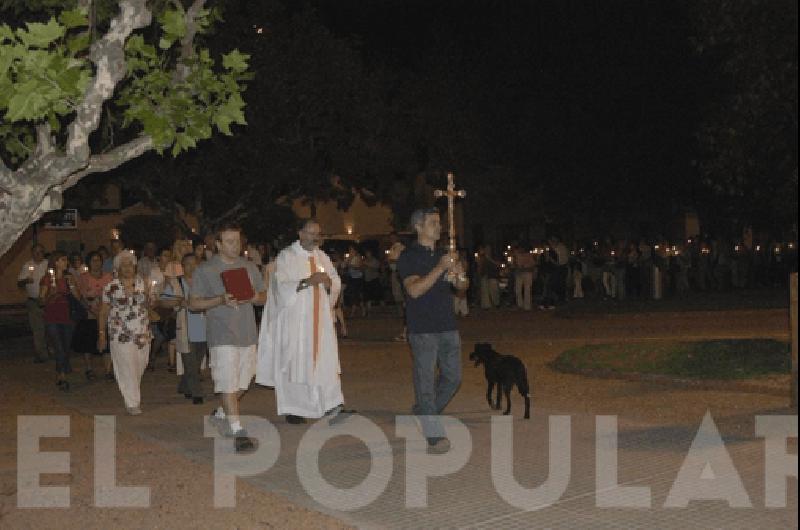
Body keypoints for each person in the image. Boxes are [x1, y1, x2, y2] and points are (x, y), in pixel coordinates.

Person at [257, 218, 346, 425]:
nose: (315, 237)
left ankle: (330, 404)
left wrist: (329, 283)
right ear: (300, 233)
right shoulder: (287, 256)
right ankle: (294, 408)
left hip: (320, 319)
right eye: (311, 233)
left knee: (324, 359)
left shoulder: (322, 256)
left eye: (318, 234)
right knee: (296, 361)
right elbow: (279, 287)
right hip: (296, 322)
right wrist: (307, 281)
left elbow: (335, 280)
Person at [189, 224, 266, 453]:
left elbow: (263, 297)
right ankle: (237, 430)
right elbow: (193, 304)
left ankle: (221, 414)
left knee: (243, 382)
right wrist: (220, 300)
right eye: (230, 241)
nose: (236, 245)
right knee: (227, 381)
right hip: (222, 336)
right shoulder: (205, 270)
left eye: (238, 240)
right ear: (219, 245)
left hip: (248, 334)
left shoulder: (250, 266)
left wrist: (253, 296)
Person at [397, 208, 467, 453]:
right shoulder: (409, 257)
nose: (439, 227)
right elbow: (414, 290)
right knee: (425, 382)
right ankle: (434, 435)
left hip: (447, 324)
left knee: (453, 378)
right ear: (419, 227)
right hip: (423, 328)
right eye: (433, 223)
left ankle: (424, 413)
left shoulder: (443, 254)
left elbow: (461, 286)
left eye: (439, 223)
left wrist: (459, 276)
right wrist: (439, 268)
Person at [97, 251, 151, 415]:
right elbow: (103, 311)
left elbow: (148, 305)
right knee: (127, 367)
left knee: (140, 365)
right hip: (120, 334)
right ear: (117, 268)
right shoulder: (111, 287)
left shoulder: (143, 283)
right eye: (124, 265)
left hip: (142, 333)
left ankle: (132, 392)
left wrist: (150, 298)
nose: (128, 268)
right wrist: (101, 334)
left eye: (130, 264)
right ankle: (132, 402)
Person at [163, 253, 206, 404]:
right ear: (182, 266)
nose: (192, 267)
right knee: (190, 363)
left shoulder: (203, 282)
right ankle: (197, 393)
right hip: (186, 328)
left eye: (194, 264)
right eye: (188, 264)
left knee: (196, 362)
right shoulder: (176, 283)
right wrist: (178, 301)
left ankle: (184, 385)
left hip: (204, 328)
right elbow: (163, 302)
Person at [40, 251, 79, 390]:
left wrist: (72, 285)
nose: (66, 263)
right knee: (59, 347)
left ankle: (60, 370)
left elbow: (77, 297)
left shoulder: (69, 278)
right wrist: (53, 294)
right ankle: (62, 376)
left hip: (67, 317)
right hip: (52, 317)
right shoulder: (47, 279)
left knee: (66, 347)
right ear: (55, 262)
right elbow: (42, 300)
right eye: (63, 260)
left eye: (66, 260)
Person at [73, 251, 114, 381]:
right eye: (93, 261)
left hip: (106, 313)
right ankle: (89, 369)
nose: (96, 263)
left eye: (98, 260)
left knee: (106, 343)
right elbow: (80, 296)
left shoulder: (108, 277)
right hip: (89, 314)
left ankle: (108, 370)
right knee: (88, 343)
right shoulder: (84, 277)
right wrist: (91, 308)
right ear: (89, 263)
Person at [17, 244, 50, 363]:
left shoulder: (48, 264)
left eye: (41, 252)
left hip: (48, 300)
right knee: (38, 328)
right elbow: (19, 283)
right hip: (34, 301)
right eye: (36, 252)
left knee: (50, 327)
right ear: (32, 253)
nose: (38, 254)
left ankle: (52, 350)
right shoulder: (27, 265)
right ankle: (41, 354)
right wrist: (26, 280)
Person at [513, 245, 536, 310]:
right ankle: (520, 304)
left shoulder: (529, 255)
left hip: (527, 273)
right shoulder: (516, 256)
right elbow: (514, 265)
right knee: (518, 289)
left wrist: (525, 268)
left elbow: (532, 265)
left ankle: (527, 306)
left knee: (527, 289)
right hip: (519, 274)